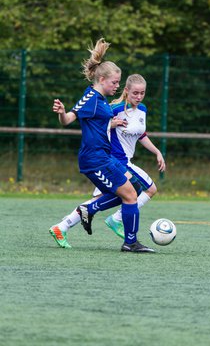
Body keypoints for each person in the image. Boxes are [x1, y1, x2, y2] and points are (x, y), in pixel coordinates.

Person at [49, 38, 154, 253]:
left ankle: (85, 213)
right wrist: (61, 113)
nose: (118, 87)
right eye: (115, 83)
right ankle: (130, 242)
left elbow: (98, 122)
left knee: (132, 188)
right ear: (102, 79)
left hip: (105, 157)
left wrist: (110, 123)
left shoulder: (99, 98)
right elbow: (69, 119)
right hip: (94, 159)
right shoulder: (91, 98)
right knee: (130, 195)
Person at [94, 74, 166, 238]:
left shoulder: (142, 110)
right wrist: (111, 123)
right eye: (135, 93)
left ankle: (63, 226)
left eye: (142, 93)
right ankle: (116, 219)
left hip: (121, 162)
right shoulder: (115, 109)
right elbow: (96, 127)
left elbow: (141, 135)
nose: (139, 97)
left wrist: (157, 152)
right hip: (116, 162)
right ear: (126, 91)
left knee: (98, 200)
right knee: (150, 189)